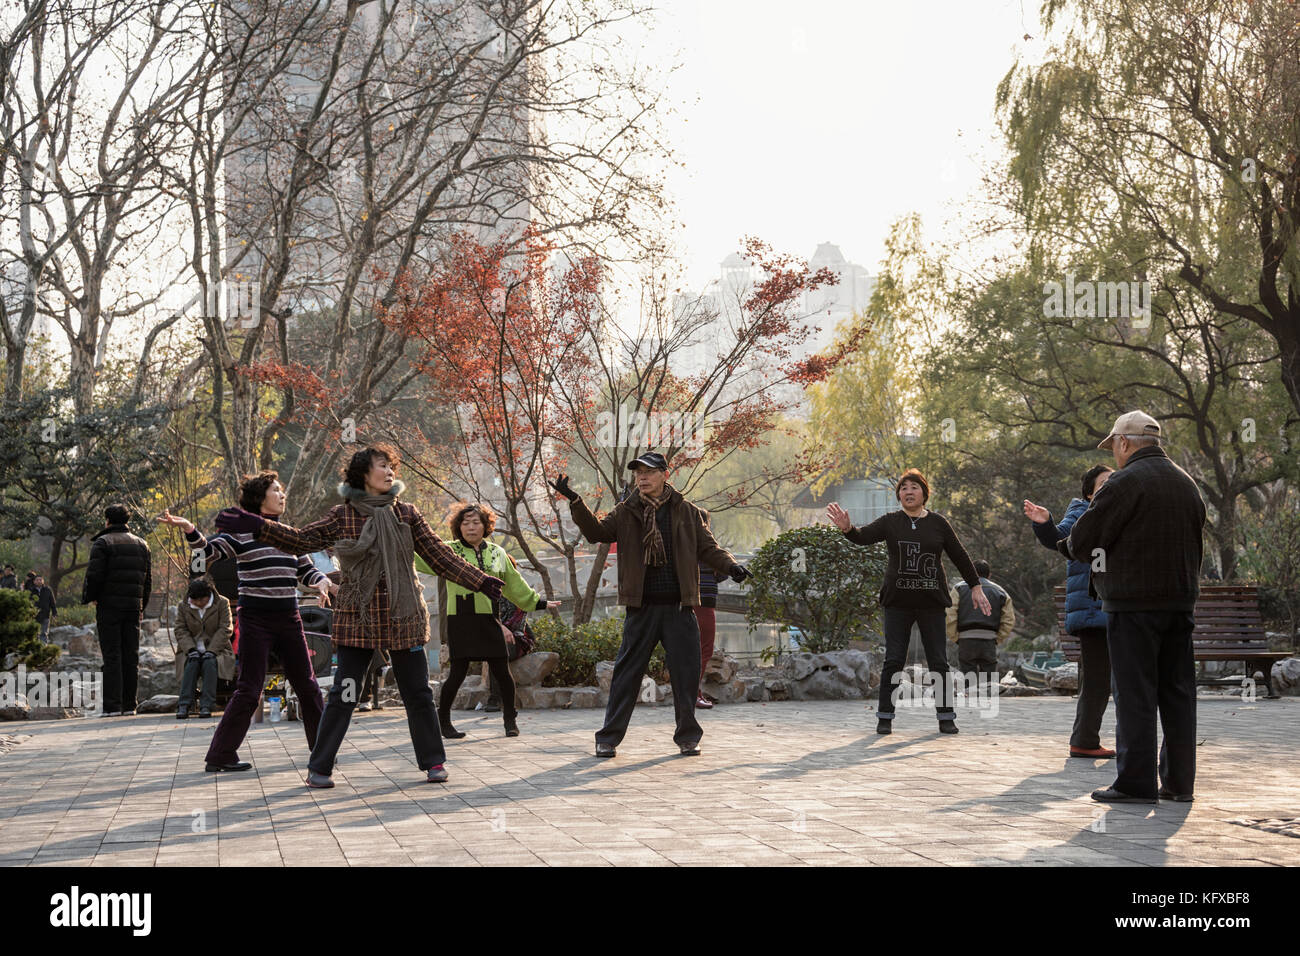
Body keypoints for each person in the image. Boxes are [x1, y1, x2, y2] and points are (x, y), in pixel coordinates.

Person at [215, 443, 506, 787]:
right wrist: (257, 525)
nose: (389, 471)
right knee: (346, 693)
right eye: (381, 465)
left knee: (418, 694)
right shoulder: (343, 515)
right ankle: (320, 768)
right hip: (358, 619)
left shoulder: (407, 514)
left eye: (390, 466)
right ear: (363, 475)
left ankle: (433, 762)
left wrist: (480, 580)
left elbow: (439, 555)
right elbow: (300, 540)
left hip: (404, 617)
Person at [550, 452, 748, 758]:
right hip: (641, 608)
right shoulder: (626, 511)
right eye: (638, 472)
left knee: (686, 673)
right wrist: (575, 500)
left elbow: (708, 548)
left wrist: (731, 566)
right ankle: (608, 738)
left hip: (680, 608)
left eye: (649, 472)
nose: (642, 477)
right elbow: (596, 533)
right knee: (626, 675)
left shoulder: (687, 511)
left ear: (665, 475)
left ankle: (688, 736)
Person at [1057, 412, 1206, 804]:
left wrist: (1075, 546)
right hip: (1180, 602)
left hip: (1132, 604)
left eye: (1114, 447)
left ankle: (1135, 782)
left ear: (1124, 443)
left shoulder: (1124, 482)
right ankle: (1178, 784)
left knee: (1134, 691)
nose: (1115, 454)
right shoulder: (1186, 482)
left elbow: (1083, 540)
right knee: (1177, 692)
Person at [159, 472, 331, 771]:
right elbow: (208, 551)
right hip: (255, 619)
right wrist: (189, 528)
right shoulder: (241, 534)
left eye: (282, 489)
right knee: (250, 689)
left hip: (289, 618)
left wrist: (322, 582)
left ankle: (322, 750)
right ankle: (221, 755)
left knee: (307, 685)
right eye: (276, 490)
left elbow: (307, 570)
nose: (282, 494)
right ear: (259, 498)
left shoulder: (289, 533)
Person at [827, 468, 989, 735]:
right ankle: (885, 717)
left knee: (938, 661)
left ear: (924, 493)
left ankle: (946, 717)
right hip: (897, 603)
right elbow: (863, 536)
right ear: (899, 496)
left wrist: (975, 586)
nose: (908, 492)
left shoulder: (938, 523)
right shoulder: (891, 521)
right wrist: (848, 529)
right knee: (893, 660)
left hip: (931, 603)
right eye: (903, 488)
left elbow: (959, 555)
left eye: (914, 487)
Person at [435, 502, 559, 739]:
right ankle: (444, 723)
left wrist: (539, 602)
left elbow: (515, 586)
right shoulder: (447, 551)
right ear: (458, 527)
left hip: (490, 618)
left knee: (502, 673)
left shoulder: (497, 553)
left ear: (485, 526)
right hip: (459, 619)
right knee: (457, 674)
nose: (471, 527)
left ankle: (510, 721)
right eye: (465, 522)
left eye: (476, 522)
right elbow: (419, 557)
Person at [1024, 464, 1116, 758]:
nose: (1111, 486)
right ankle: (1085, 741)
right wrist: (1044, 523)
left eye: (1114, 481)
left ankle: (1087, 739)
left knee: (1109, 678)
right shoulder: (1081, 512)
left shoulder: (1122, 513)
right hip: (1092, 610)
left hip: (1119, 607)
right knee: (1098, 679)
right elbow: (1059, 538)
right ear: (1089, 492)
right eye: (1104, 483)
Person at [81, 504, 152, 717]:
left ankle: (113, 706)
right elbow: (147, 581)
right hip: (133, 608)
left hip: (109, 608)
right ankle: (130, 705)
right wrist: (142, 605)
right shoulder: (142, 544)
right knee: (131, 655)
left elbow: (94, 575)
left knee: (112, 655)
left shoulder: (103, 543)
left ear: (107, 521)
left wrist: (91, 597)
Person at [945, 559, 1014, 695]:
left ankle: (969, 701)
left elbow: (950, 614)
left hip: (966, 639)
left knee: (968, 676)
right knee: (988, 681)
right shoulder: (1000, 591)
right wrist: (997, 638)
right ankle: (987, 704)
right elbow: (1008, 620)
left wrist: (956, 637)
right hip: (989, 640)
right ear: (989, 575)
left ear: (970, 573)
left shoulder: (958, 588)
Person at [173, 579, 235, 719]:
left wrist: (211, 650)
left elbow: (225, 629)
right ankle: (184, 704)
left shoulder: (221, 603)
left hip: (218, 650)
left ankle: (207, 704)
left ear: (209, 595)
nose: (199, 603)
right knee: (192, 662)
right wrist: (190, 649)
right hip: (191, 649)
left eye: (202, 600)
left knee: (210, 662)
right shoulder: (184, 606)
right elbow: (180, 630)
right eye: (195, 600)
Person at [694, 510, 721, 710]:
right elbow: (721, 573)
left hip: (685, 602)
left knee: (688, 650)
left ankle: (690, 693)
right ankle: (693, 694)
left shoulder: (681, 546)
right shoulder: (708, 547)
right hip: (703, 604)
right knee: (704, 649)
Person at [31, 575, 57, 641]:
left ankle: (43, 647)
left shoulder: (48, 590)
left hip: (45, 614)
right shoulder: (31, 591)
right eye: (37, 580)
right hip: (34, 615)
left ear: (43, 581)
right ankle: (36, 647)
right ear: (34, 581)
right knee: (34, 633)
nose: (39, 581)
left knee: (44, 633)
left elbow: (52, 602)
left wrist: (54, 613)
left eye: (40, 580)